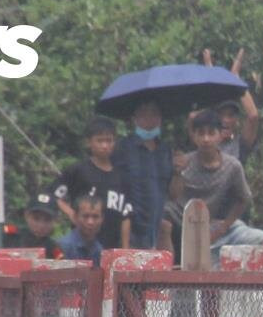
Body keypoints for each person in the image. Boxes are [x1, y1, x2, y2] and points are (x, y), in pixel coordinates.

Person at [168, 108, 263, 259]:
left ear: (220, 135)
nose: (206, 139)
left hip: (222, 228)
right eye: (201, 134)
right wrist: (177, 173)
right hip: (191, 231)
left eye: (211, 133)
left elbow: (243, 199)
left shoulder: (232, 165)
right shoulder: (185, 162)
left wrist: (224, 227)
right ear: (195, 137)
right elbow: (173, 197)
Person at [53, 117, 132, 249]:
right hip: (81, 244)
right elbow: (54, 194)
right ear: (89, 142)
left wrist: (125, 249)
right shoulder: (79, 170)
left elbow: (126, 215)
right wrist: (72, 214)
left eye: (109, 141)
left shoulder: (121, 176)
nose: (105, 146)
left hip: (112, 245)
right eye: (100, 141)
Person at [115, 99, 174, 250]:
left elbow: (173, 193)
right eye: (143, 115)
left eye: (154, 114)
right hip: (130, 226)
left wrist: (179, 172)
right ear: (134, 119)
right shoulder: (123, 148)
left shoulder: (166, 150)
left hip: (157, 225)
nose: (149, 120)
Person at [204, 47, 262, 163]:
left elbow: (253, 116)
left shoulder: (240, 144)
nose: (226, 120)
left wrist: (236, 78)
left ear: (236, 120)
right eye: (221, 115)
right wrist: (209, 74)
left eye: (230, 115)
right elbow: (193, 117)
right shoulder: (204, 141)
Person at [3, 192, 63, 259]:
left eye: (47, 220)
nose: (41, 225)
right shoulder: (11, 234)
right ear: (26, 216)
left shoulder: (54, 249)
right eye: (36, 219)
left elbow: (62, 265)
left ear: (54, 221)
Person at [56, 194, 106, 266]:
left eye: (95, 217)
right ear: (75, 217)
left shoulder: (100, 250)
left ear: (102, 219)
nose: (90, 222)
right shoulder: (62, 247)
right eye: (85, 216)